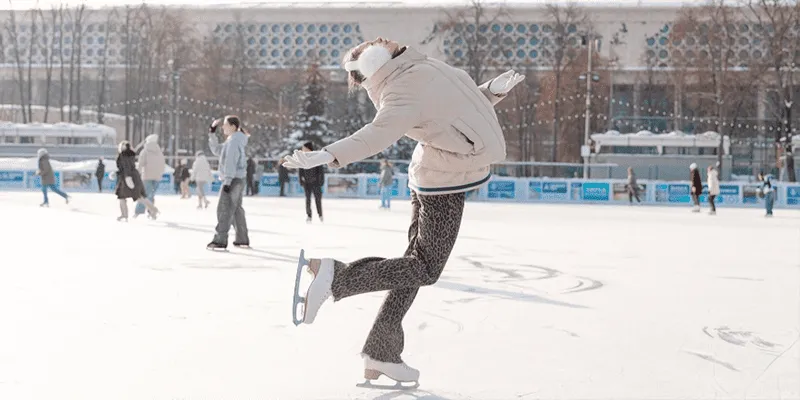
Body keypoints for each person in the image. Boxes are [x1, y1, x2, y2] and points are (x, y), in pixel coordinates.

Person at [283, 37, 523, 384]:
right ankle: (337, 276)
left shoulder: (418, 66)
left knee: (412, 266)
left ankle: (382, 351)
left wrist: (491, 92)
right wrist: (328, 154)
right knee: (425, 268)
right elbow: (377, 134)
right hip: (443, 178)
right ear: (374, 63)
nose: (381, 40)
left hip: (446, 170)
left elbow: (453, 108)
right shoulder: (400, 90)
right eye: (371, 46)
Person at [206, 115, 250, 250]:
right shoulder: (232, 140)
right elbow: (217, 151)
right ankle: (242, 238)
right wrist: (212, 133)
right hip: (238, 178)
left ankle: (220, 239)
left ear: (233, 126)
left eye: (225, 125)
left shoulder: (233, 142)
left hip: (233, 179)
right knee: (236, 209)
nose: (223, 127)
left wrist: (227, 182)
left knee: (224, 208)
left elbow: (231, 162)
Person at [114, 141, 158, 221]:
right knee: (135, 196)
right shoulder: (130, 154)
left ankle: (125, 214)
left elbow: (126, 167)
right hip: (131, 177)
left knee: (131, 196)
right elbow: (124, 167)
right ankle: (153, 210)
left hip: (128, 178)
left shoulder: (124, 155)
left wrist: (128, 177)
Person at [134, 134, 165, 219]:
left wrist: (138, 173)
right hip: (157, 177)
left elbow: (140, 164)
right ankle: (152, 212)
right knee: (151, 195)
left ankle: (139, 212)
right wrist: (160, 173)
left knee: (143, 195)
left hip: (147, 176)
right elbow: (162, 165)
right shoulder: (159, 152)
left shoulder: (145, 151)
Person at [298, 141, 325, 223]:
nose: (303, 150)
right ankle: (309, 215)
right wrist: (301, 180)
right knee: (308, 200)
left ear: (309, 149)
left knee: (318, 199)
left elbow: (320, 171)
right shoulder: (302, 159)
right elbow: (300, 171)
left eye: (304, 148)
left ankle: (320, 214)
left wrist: (321, 181)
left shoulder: (316, 158)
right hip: (307, 183)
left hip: (316, 182)